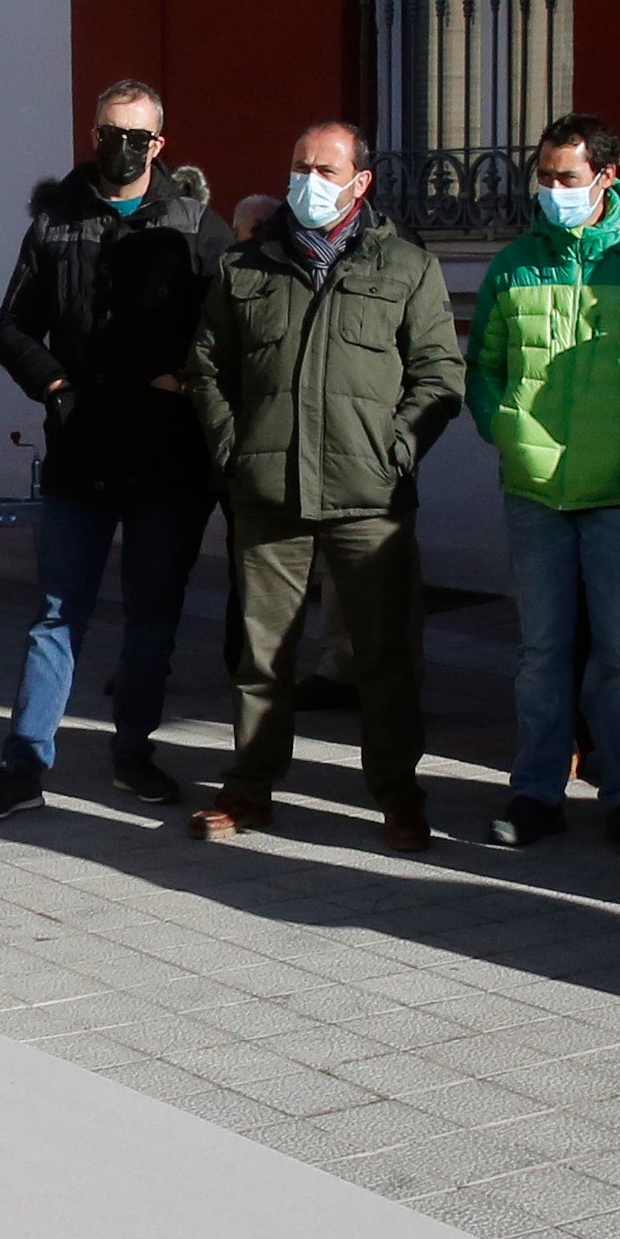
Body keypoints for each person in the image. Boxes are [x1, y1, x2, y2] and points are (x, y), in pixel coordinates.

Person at [184, 120, 462, 849]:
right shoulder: (245, 267)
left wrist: (395, 448)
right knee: (262, 656)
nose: (308, 180)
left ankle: (398, 795)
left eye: (326, 168)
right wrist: (233, 450)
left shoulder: (404, 266)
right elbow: (207, 366)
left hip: (368, 497)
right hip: (268, 490)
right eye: (300, 164)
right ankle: (250, 788)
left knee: (384, 657)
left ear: (360, 181)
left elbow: (440, 374)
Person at [0, 82, 220, 821]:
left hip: (166, 457)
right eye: (112, 132)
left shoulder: (197, 225)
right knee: (57, 610)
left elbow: (229, 328)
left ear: (160, 144)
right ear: (92, 132)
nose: (123, 147)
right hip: (81, 449)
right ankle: (23, 762)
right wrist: (53, 384)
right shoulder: (56, 221)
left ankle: (133, 751)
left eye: (138, 136)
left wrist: (189, 377)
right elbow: (11, 325)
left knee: (153, 613)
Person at [469, 114, 620, 858]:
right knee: (541, 651)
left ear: (609, 176)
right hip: (536, 491)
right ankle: (537, 790)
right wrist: (505, 427)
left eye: (567, 178)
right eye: (544, 176)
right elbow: (482, 365)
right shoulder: (515, 263)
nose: (552, 191)